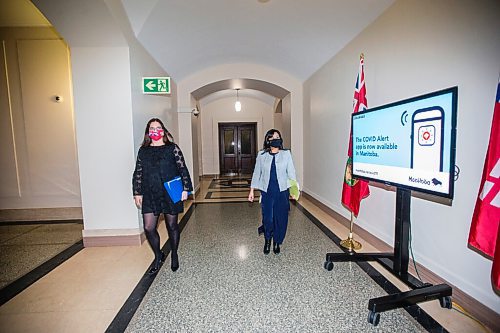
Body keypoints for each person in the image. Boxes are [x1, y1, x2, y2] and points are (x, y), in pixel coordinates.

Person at [132, 118, 193, 274]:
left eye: (158, 127)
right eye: (152, 128)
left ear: (164, 130)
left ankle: (174, 253)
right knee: (148, 227)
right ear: (148, 132)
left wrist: (186, 188)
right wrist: (137, 192)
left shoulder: (172, 148)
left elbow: (182, 168)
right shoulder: (143, 151)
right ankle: (158, 255)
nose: (155, 130)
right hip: (150, 192)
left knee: (171, 226)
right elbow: (138, 172)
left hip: (169, 192)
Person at [248, 129, 297, 255]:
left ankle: (276, 241)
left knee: (280, 218)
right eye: (273, 137)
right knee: (268, 219)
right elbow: (256, 172)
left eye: (278, 136)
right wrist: (252, 190)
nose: (276, 138)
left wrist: (294, 190)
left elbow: (291, 173)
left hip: (282, 192)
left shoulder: (286, 154)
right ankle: (267, 240)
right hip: (267, 192)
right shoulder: (262, 155)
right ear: (268, 140)